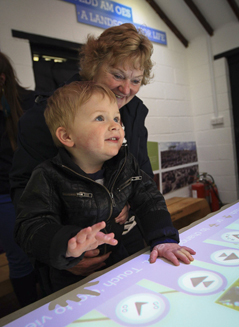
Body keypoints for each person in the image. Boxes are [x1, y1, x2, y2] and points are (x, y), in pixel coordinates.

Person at [10, 23, 161, 278]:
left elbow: (142, 174)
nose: (127, 89)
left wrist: (130, 205)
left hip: (126, 238)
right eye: (117, 75)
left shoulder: (134, 111)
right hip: (74, 248)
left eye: (136, 80)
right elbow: (26, 195)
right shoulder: (45, 116)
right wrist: (64, 251)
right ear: (93, 66)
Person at [14, 81, 196, 293]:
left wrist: (163, 239)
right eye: (100, 118)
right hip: (72, 280)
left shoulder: (127, 164)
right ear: (67, 136)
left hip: (123, 260)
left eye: (116, 118)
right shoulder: (47, 176)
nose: (115, 125)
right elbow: (30, 225)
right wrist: (65, 243)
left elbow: (150, 201)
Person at [0, 52, 38, 307]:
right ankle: (32, 313)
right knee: (20, 258)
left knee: (49, 251)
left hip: (36, 191)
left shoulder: (32, 102)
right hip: (4, 196)